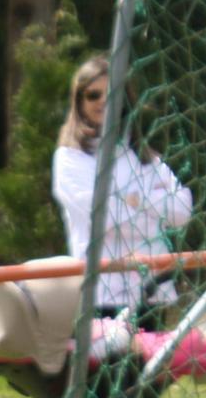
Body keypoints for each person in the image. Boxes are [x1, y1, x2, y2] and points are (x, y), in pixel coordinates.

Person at [51, 54, 193, 317]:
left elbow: (183, 211)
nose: (103, 101)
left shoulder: (145, 156)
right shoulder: (70, 158)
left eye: (111, 93)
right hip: (102, 294)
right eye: (93, 95)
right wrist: (152, 211)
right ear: (79, 102)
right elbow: (102, 219)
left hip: (152, 291)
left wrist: (136, 200)